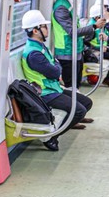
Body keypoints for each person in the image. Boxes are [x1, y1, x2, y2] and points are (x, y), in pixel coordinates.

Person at [21, 10, 94, 151]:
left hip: (54, 89)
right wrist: (56, 68)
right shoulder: (34, 53)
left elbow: (55, 65)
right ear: (35, 30)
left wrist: (56, 67)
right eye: (44, 26)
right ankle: (51, 137)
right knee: (79, 110)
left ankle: (68, 123)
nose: (47, 29)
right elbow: (55, 70)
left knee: (87, 102)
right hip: (45, 94)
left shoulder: (40, 47)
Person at [52, 0, 107, 91]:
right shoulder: (61, 7)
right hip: (66, 53)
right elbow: (72, 32)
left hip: (76, 51)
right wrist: (94, 27)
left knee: (76, 87)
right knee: (70, 89)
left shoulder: (69, 3)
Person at [84, 2, 109, 87]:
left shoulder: (102, 25)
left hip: (101, 48)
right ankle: (108, 78)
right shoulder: (92, 28)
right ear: (97, 17)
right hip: (94, 51)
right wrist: (98, 48)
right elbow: (85, 43)